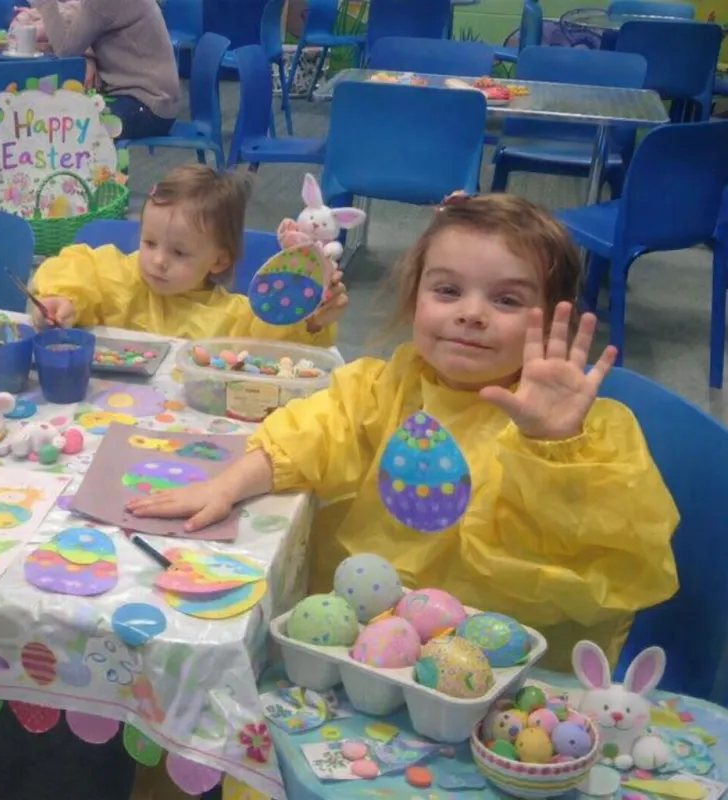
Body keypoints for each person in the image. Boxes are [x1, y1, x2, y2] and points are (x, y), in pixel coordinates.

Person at [127, 192, 680, 671]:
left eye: (507, 299)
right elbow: (309, 432)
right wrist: (227, 484)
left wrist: (551, 447)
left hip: (499, 674)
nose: (471, 313)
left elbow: (604, 561)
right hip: (360, 646)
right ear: (415, 297)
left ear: (553, 316)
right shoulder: (385, 385)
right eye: (447, 291)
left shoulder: (591, 435)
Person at [30, 165, 344, 345]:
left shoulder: (234, 318)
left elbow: (275, 349)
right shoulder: (118, 275)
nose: (158, 260)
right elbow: (76, 265)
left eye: (179, 252)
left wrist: (310, 322)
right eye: (149, 243)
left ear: (219, 260)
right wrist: (64, 298)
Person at [30, 0, 179, 139]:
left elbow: (65, 50)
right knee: (61, 113)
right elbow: (84, 18)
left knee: (68, 125)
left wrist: (45, 3)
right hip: (140, 97)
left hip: (148, 105)